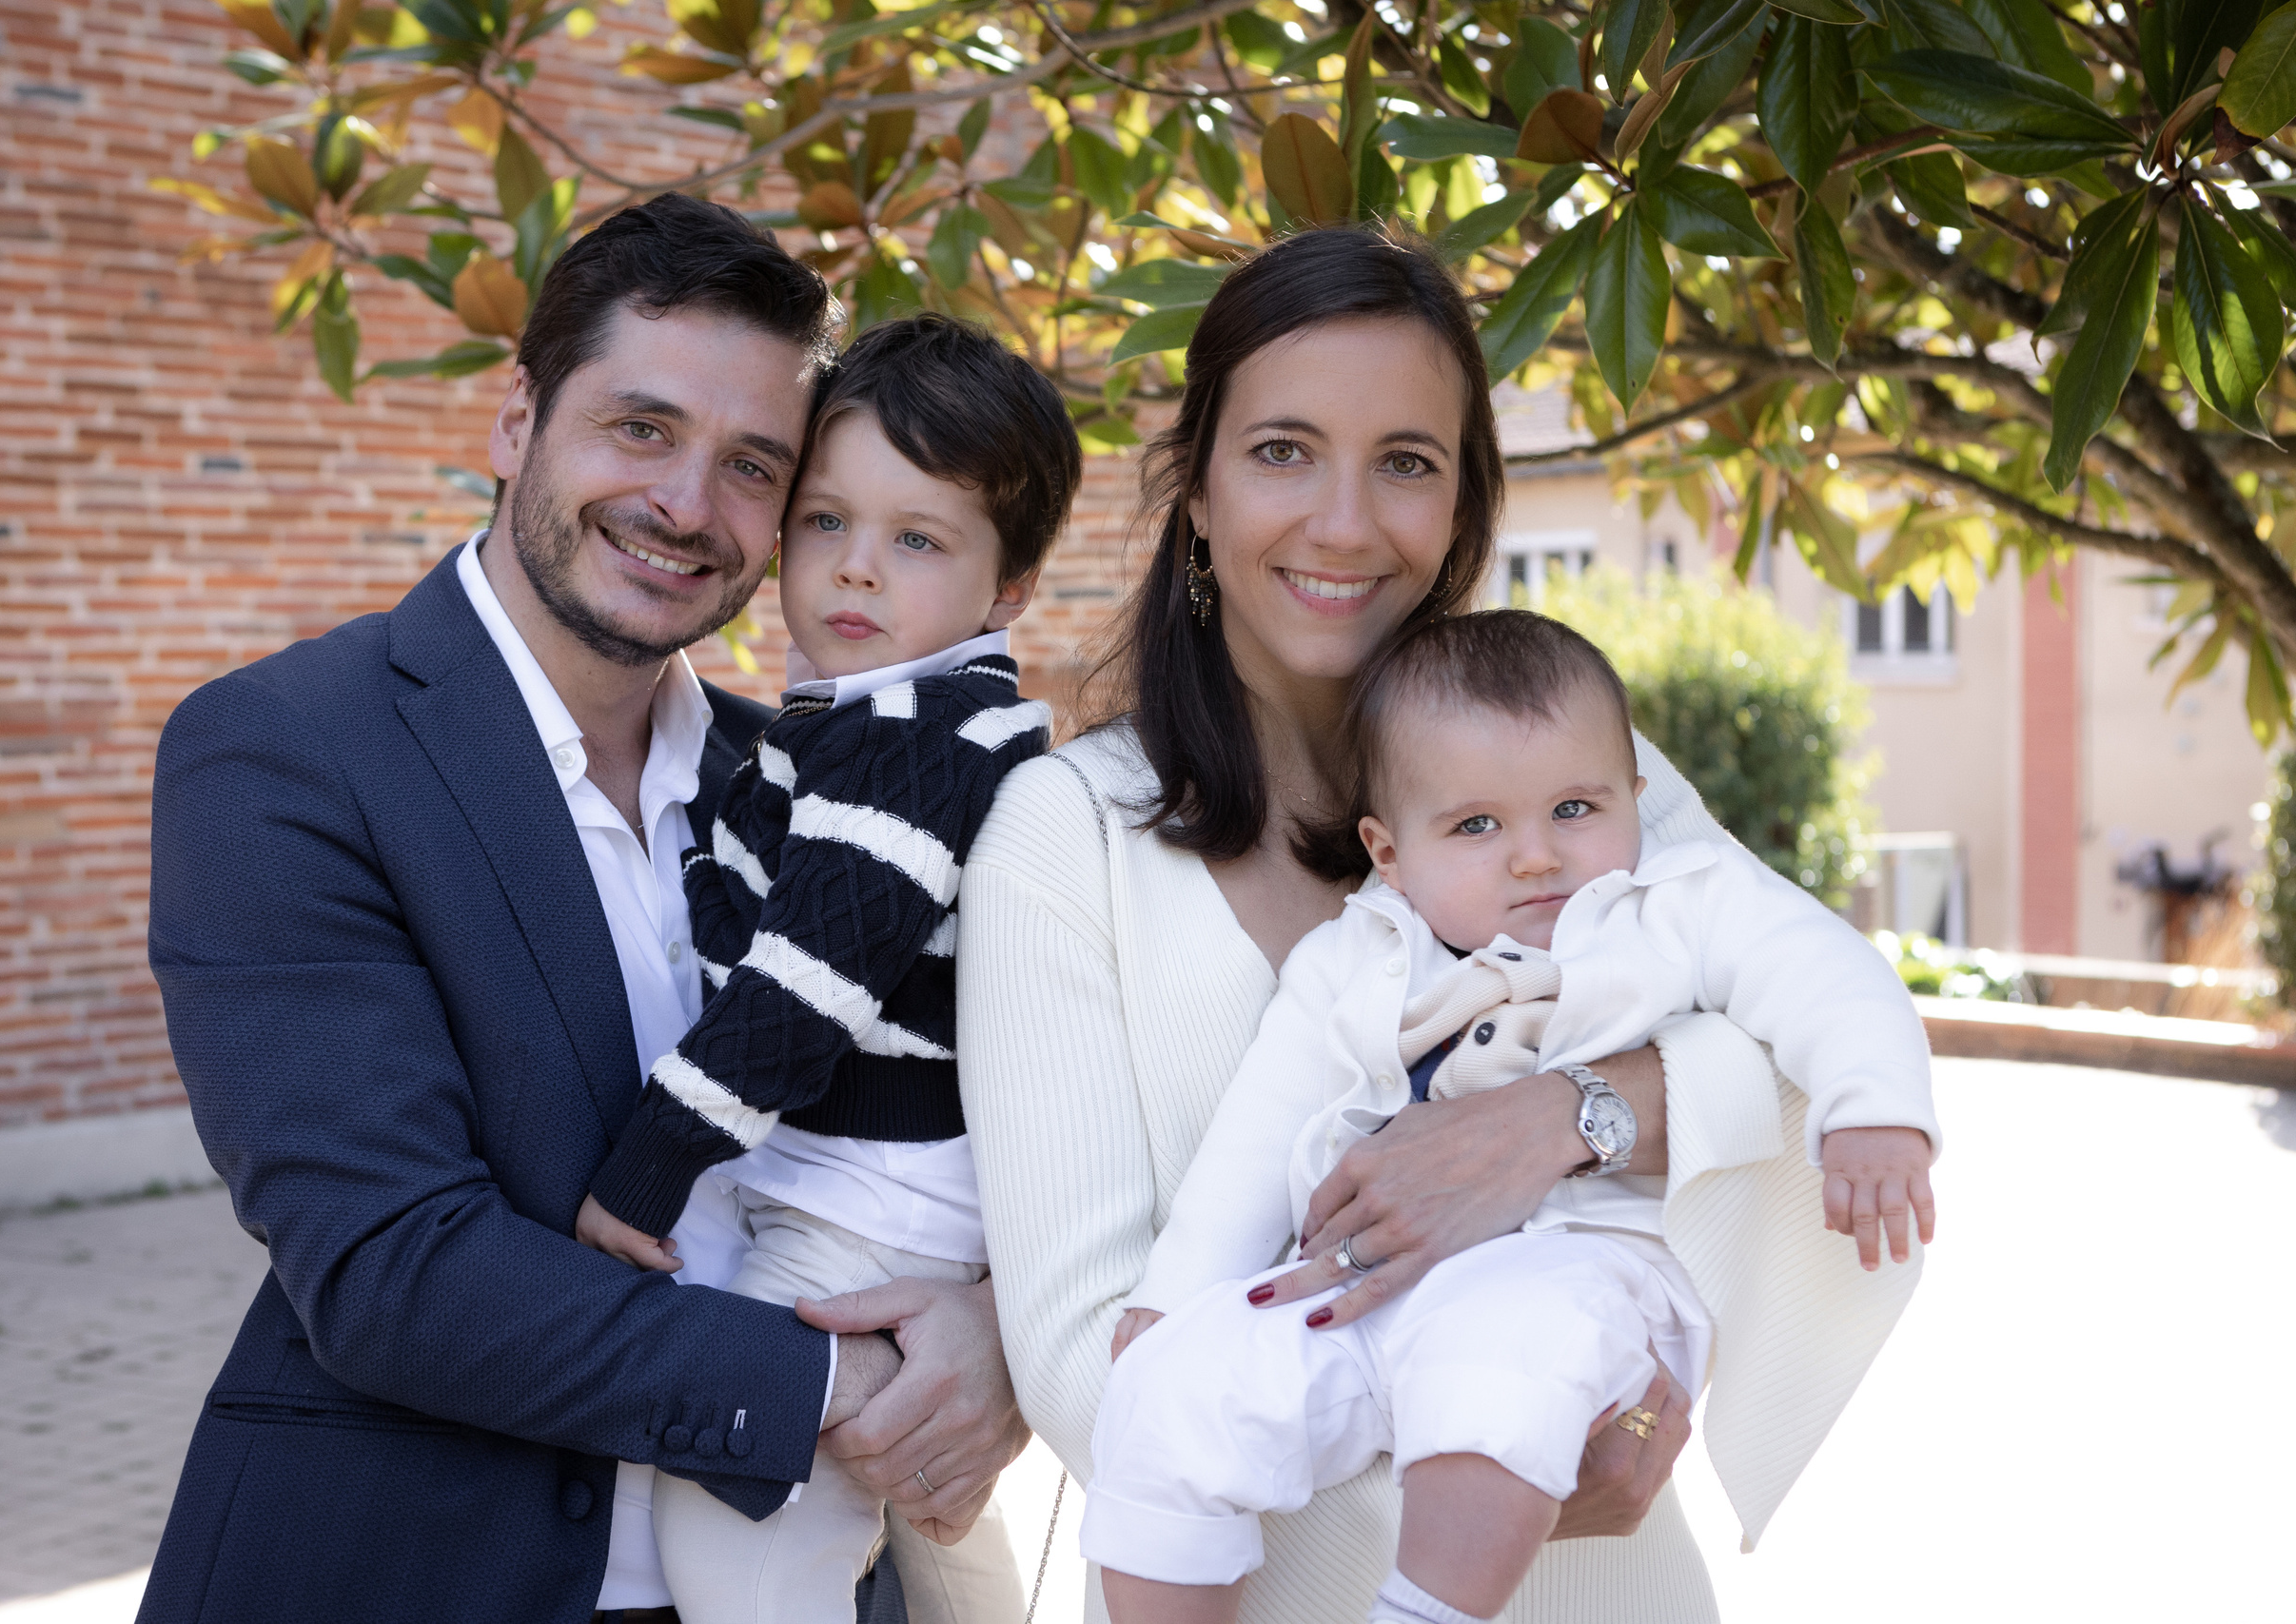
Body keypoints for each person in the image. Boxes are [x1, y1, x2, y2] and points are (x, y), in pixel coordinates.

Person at [139, 196, 1028, 1624]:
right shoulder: (285, 751)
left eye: (753, 465)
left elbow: (988, 1107)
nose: (687, 504)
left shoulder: (823, 779)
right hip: (418, 1571)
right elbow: (391, 1268)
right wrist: (839, 1384)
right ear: (517, 423)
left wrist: (999, 1337)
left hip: (810, 1573)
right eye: (640, 428)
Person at [958, 225, 1810, 1624]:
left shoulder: (1591, 784)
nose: (1346, 522)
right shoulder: (1069, 838)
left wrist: (1558, 1120)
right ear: (1196, 488)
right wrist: (1486, 1421)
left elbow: (1800, 1058)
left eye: (1406, 462)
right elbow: (1081, 1355)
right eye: (1285, 449)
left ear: (1464, 502)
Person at [1085, 609, 1940, 1624]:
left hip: (1586, 1272)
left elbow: (1827, 975)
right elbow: (1259, 1127)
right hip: (1365, 1284)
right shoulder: (1353, 958)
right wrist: (1178, 1293)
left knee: (1502, 1352)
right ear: (1389, 853)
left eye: (1575, 808)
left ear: (1638, 799)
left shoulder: (1678, 907)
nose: (1536, 857)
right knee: (1179, 1384)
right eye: (1476, 826)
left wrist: (1873, 1114)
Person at [571, 314, 1081, 1621]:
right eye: (827, 524)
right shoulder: (855, 723)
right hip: (854, 1186)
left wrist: (649, 1164)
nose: (856, 571)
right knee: (919, 1500)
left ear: (1008, 589)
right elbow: (741, 896)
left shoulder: (916, 746)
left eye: (917, 540)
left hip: (871, 1203)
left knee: (739, 1512)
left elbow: (796, 995)